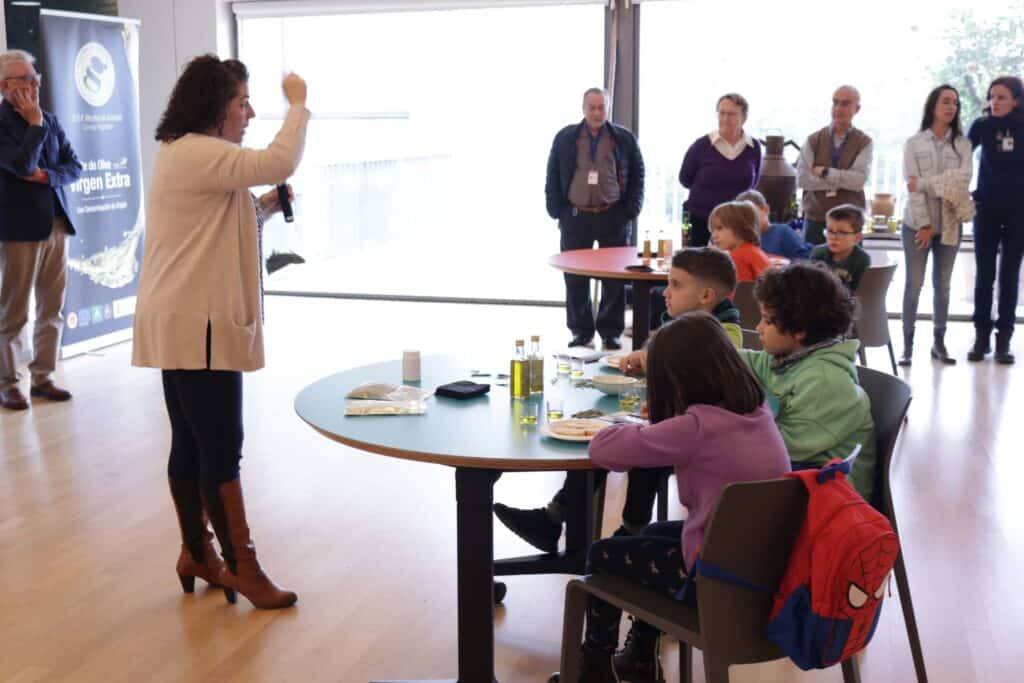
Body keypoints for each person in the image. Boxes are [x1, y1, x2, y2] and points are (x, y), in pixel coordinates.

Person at [132, 55, 309, 609]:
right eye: (241, 102)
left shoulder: (184, 152)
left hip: (181, 318)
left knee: (191, 444)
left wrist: (261, 208)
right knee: (221, 449)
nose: (250, 112)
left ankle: (198, 555)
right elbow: (283, 157)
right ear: (216, 107)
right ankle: (243, 568)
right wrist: (298, 103)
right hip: (198, 323)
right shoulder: (203, 153)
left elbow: (212, 222)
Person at [551, 312, 790, 683]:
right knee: (647, 536)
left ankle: (593, 668)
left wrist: (652, 423)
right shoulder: (755, 410)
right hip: (762, 566)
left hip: (713, 579)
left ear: (677, 379)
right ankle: (639, 659)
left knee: (602, 554)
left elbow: (603, 450)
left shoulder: (695, 427)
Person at [493, 248, 742, 552]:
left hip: (699, 440)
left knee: (628, 444)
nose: (666, 292)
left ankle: (623, 532)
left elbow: (700, 390)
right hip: (685, 427)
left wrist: (657, 378)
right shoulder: (690, 326)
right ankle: (560, 518)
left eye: (676, 284)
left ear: (706, 295)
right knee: (621, 434)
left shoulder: (719, 336)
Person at [741, 262, 876, 500]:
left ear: (799, 331)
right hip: (802, 484)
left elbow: (779, 450)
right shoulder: (789, 358)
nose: (758, 328)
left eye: (767, 321)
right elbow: (739, 361)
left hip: (827, 506)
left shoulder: (824, 381)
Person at [0, 49, 82, 411]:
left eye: (36, 79)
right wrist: (33, 124)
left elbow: (74, 165)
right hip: (19, 230)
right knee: (15, 311)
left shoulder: (50, 119)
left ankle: (43, 377)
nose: (34, 85)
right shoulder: (6, 124)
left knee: (53, 306)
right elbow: (21, 165)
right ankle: (7, 382)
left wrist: (49, 176)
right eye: (26, 80)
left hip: (57, 225)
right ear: (5, 87)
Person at [546, 87, 644, 350]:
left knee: (614, 278)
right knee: (575, 277)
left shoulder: (623, 138)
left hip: (613, 215)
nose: (597, 112)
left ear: (607, 108)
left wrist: (631, 210)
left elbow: (638, 173)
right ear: (584, 109)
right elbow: (553, 172)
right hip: (576, 216)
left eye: (602, 107)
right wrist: (556, 209)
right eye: (592, 107)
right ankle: (581, 331)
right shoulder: (566, 137)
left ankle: (611, 331)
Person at [899, 85, 974, 366]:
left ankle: (939, 343)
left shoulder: (963, 144)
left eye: (955, 102)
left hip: (951, 225)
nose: (951, 107)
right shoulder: (914, 143)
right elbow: (912, 188)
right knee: (913, 285)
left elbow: (962, 182)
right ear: (933, 106)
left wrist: (927, 183)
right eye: (946, 101)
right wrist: (924, 224)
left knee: (943, 286)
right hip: (916, 225)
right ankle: (907, 345)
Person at [967, 75, 1024, 364]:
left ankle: (1004, 340)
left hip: (1019, 211)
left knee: (1010, 275)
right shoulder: (981, 125)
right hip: (986, 208)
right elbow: (961, 157)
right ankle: (981, 337)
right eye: (991, 97)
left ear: (1016, 100)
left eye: (1001, 97)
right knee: (985, 274)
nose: (994, 102)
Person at [679, 93, 761, 247]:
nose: (725, 119)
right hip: (700, 219)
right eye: (722, 113)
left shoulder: (754, 147)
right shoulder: (701, 145)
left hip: (737, 224)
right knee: (697, 267)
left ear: (744, 118)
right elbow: (685, 179)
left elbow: (753, 182)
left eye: (731, 114)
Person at [797, 85, 873, 245]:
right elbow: (803, 180)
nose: (838, 108)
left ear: (857, 108)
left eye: (845, 104)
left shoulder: (864, 142)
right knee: (811, 269)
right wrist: (843, 180)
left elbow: (858, 181)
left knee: (848, 270)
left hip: (849, 224)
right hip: (816, 220)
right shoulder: (813, 140)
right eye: (835, 102)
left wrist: (825, 172)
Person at [810, 204, 871, 293]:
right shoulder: (818, 253)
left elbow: (858, 294)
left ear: (857, 238)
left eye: (842, 233)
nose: (833, 237)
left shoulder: (862, 259)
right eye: (830, 231)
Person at [736, 189, 812, 259]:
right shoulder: (743, 239)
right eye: (743, 217)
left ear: (766, 209)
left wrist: (783, 262)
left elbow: (805, 259)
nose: (748, 221)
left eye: (752, 215)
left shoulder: (782, 232)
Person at [708, 200, 772, 282]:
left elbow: (740, 293)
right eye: (712, 231)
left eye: (720, 228)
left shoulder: (738, 257)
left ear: (740, 227)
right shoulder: (752, 250)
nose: (714, 236)